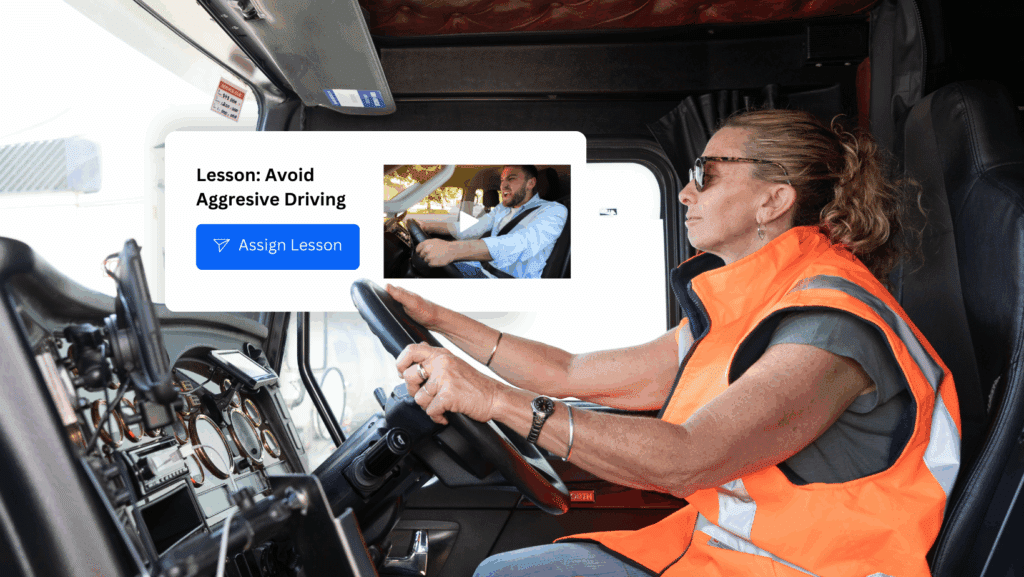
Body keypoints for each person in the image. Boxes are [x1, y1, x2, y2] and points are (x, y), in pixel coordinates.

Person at [386, 109, 961, 577]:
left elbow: (689, 457)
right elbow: (567, 371)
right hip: (716, 558)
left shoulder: (832, 325)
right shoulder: (757, 301)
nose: (685, 193)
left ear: (773, 200)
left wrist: (496, 402)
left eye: (704, 173)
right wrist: (438, 318)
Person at [411, 165, 567, 278]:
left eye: (511, 179)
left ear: (530, 183)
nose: (503, 185)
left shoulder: (554, 210)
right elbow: (472, 228)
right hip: (479, 268)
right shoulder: (502, 209)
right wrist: (427, 225)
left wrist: (453, 250)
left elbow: (522, 242)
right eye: (502, 180)